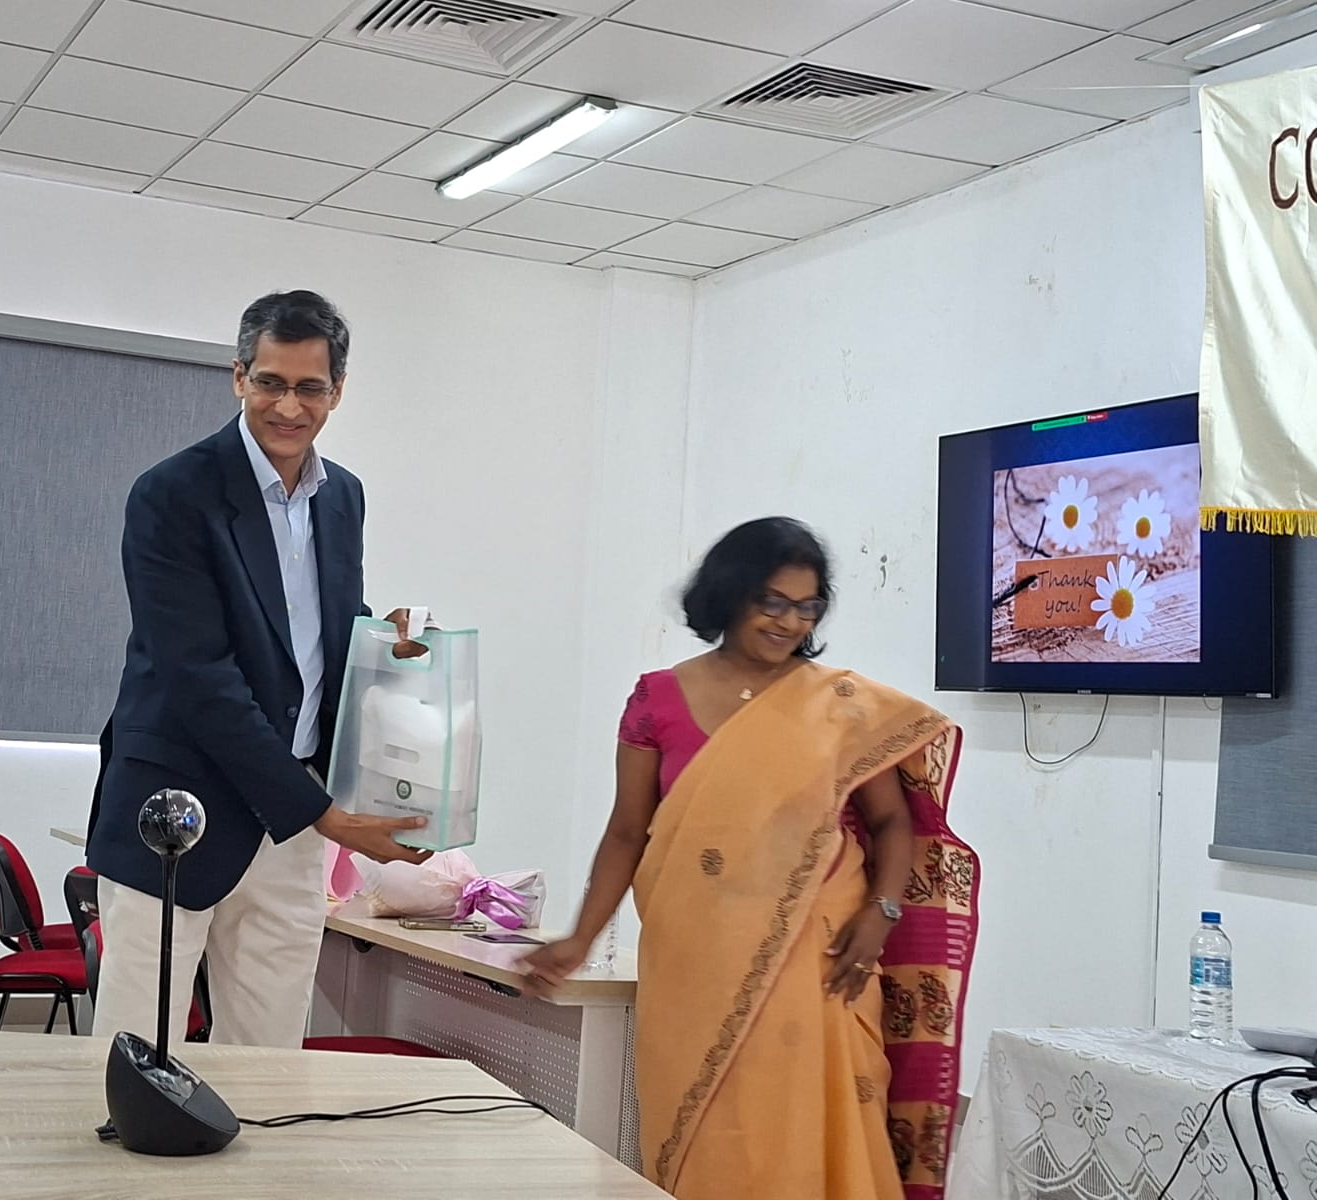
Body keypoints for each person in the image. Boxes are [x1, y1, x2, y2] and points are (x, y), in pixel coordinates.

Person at [524, 518, 979, 1200]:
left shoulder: (842, 707)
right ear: (730, 594)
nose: (789, 622)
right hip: (692, 961)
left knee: (809, 1134)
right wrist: (579, 939)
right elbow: (627, 832)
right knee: (709, 1139)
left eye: (807, 606)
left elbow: (892, 823)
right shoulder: (657, 700)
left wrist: (882, 913)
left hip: (817, 958)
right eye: (772, 602)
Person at [86, 290, 430, 1051]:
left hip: (292, 815)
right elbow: (198, 673)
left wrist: (384, 642)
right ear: (238, 376)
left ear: (337, 391)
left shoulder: (343, 497)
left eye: (310, 387)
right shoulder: (173, 492)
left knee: (269, 1054)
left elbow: (318, 626)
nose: (289, 406)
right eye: (270, 382)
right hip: (179, 804)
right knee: (140, 1051)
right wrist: (322, 815)